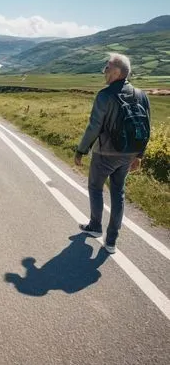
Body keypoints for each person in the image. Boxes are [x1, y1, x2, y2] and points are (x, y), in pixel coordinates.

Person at [75, 53, 150, 254]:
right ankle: (111, 241)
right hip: (128, 154)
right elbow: (146, 127)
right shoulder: (141, 94)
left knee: (95, 187)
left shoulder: (105, 95)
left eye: (107, 68)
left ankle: (95, 226)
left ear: (117, 72)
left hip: (105, 154)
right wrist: (139, 155)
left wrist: (81, 150)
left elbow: (94, 128)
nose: (104, 71)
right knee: (118, 192)